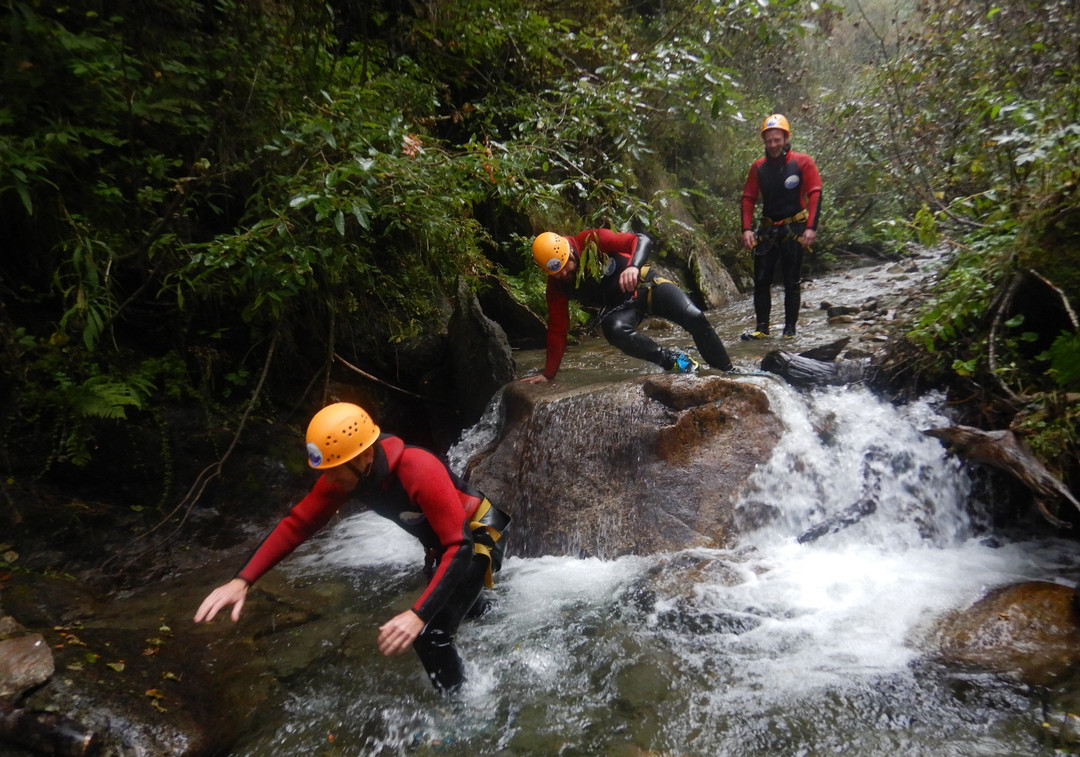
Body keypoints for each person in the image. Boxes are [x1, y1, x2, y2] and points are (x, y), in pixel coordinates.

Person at [193, 402, 510, 695]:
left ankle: (465, 710)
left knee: (428, 634)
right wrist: (242, 580)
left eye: (335, 469)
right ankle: (501, 619)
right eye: (325, 470)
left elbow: (458, 545)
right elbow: (298, 524)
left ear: (365, 457)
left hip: (479, 533)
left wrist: (417, 615)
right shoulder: (346, 475)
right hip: (446, 541)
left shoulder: (417, 468)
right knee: (454, 602)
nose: (328, 480)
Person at [522, 228, 734, 383]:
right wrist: (547, 374)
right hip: (621, 309)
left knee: (695, 317)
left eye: (564, 266)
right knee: (613, 329)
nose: (563, 274)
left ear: (569, 251)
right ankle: (673, 360)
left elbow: (641, 240)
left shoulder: (592, 240)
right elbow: (557, 330)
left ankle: (729, 373)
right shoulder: (557, 286)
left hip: (646, 287)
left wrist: (633, 266)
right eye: (555, 273)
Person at [740, 113, 822, 340]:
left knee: (791, 281)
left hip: (794, 229)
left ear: (786, 138)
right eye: (769, 141)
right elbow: (748, 198)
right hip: (767, 230)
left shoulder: (803, 162)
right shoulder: (759, 168)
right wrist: (746, 229)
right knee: (761, 281)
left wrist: (811, 227)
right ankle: (762, 328)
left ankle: (789, 330)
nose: (773, 145)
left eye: (777, 140)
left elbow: (815, 192)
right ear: (764, 142)